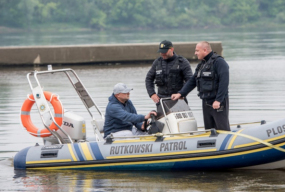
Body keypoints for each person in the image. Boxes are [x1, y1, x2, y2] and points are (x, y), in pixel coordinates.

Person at [171, 41, 230, 131]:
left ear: (205, 50)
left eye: (197, 50)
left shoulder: (219, 62)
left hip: (218, 103)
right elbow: (193, 80)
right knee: (209, 129)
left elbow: (224, 82)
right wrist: (181, 93)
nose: (195, 53)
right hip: (206, 102)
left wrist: (218, 100)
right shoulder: (202, 64)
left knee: (222, 129)